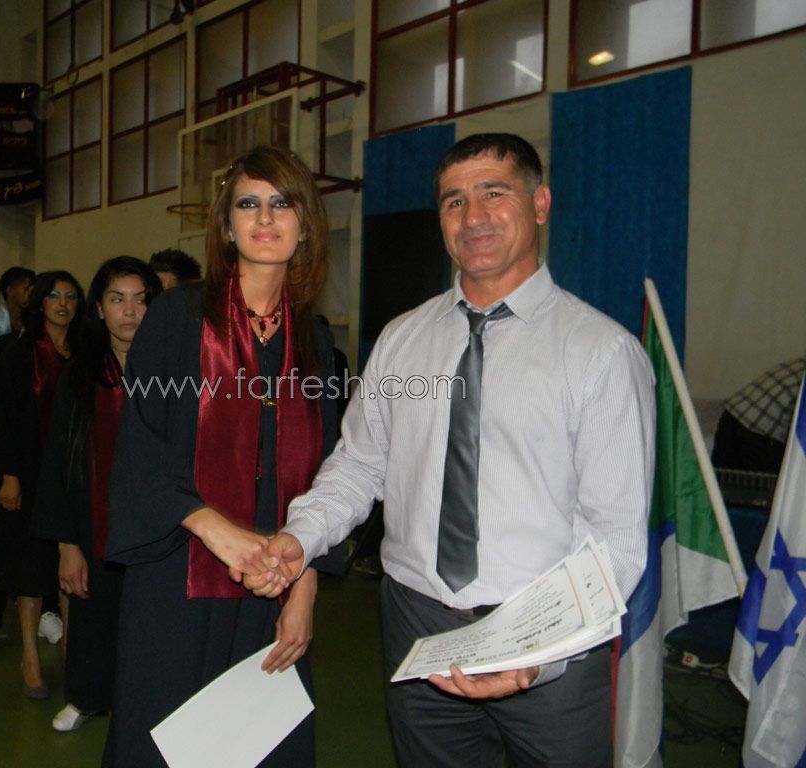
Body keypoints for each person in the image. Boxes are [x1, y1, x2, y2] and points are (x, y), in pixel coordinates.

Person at [243, 133, 656, 768]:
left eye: (495, 193)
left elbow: (616, 538)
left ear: (540, 203)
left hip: (548, 635)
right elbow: (359, 464)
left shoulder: (600, 352)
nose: (474, 217)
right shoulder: (402, 341)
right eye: (454, 201)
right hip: (418, 626)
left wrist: (541, 655)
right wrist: (302, 536)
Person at [102, 146, 344, 766]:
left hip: (276, 582)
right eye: (248, 203)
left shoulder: (314, 341)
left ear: (306, 224)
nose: (265, 217)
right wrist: (220, 532)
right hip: (180, 575)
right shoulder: (178, 318)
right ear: (227, 226)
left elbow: (327, 476)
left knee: (263, 747)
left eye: (282, 203)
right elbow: (142, 448)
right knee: (166, 745)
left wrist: (304, 594)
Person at [32, 257, 162, 732]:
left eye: (141, 300)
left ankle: (148, 701)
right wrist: (67, 544)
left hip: (158, 524)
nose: (129, 311)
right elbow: (56, 462)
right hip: (95, 521)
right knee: (93, 615)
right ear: (100, 309)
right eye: (117, 299)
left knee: (153, 621)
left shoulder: (174, 371)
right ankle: (86, 697)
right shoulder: (80, 376)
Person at [0, 271, 85, 699]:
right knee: (30, 566)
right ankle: (31, 656)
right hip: (30, 474)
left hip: (75, 476)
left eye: (71, 296)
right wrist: (10, 474)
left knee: (73, 566)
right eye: (54, 295)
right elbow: (1, 416)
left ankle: (75, 650)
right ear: (40, 303)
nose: (63, 303)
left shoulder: (87, 352)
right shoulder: (18, 353)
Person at [711, 356, 806, 474]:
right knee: (766, 483)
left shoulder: (799, 364)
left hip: (733, 415)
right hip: (760, 433)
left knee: (721, 480)